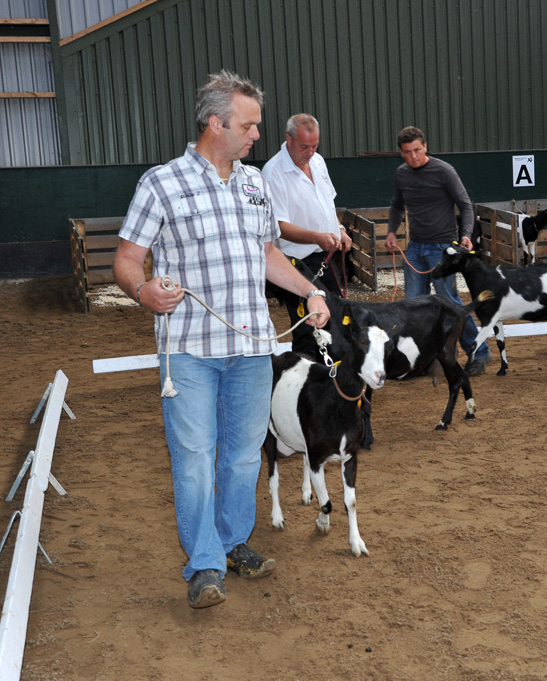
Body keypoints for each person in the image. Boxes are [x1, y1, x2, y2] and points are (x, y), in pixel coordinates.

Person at [112, 70, 331, 609]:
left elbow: (267, 254)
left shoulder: (256, 184)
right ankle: (204, 564)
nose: (257, 134)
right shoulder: (161, 183)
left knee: (240, 459)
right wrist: (143, 292)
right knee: (192, 458)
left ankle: (233, 543)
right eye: (249, 125)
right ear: (216, 123)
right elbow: (127, 260)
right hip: (188, 351)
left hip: (253, 348)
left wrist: (309, 292)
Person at [384, 126, 491, 375]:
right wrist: (391, 231)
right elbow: (397, 206)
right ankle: (420, 362)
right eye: (408, 152)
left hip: (442, 249)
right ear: (400, 153)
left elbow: (465, 205)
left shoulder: (444, 171)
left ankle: (479, 353)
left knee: (451, 305)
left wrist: (465, 235)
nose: (414, 156)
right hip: (415, 248)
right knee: (412, 308)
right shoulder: (402, 175)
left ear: (426, 147)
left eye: (418, 150)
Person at [262, 113, 353, 295]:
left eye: (314, 146)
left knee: (335, 314)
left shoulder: (318, 161)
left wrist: (339, 229)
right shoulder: (273, 173)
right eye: (304, 147)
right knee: (308, 319)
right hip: (298, 262)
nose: (310, 152)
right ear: (289, 139)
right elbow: (279, 226)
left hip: (326, 256)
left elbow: (328, 202)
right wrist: (316, 237)